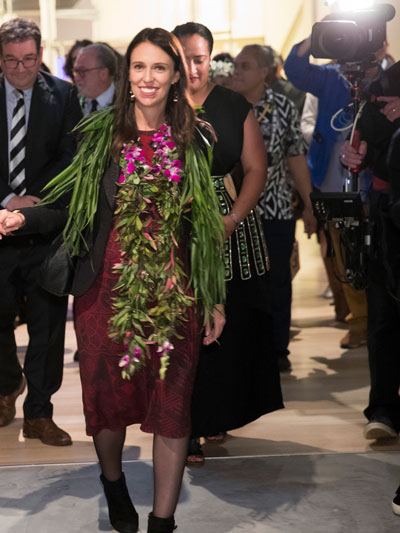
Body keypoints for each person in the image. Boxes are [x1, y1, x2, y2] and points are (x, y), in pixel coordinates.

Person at [0, 27, 227, 533]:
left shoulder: (196, 139)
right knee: (109, 403)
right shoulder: (100, 138)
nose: (148, 78)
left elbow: (204, 227)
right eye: (138, 67)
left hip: (174, 292)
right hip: (106, 292)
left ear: (176, 75)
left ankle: (163, 522)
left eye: (159, 67)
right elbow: (63, 202)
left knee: (173, 404)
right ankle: (113, 481)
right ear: (125, 75)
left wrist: (213, 296)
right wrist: (21, 219)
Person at [0, 17, 82, 446]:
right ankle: (9, 385)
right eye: (11, 61)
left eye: (29, 59)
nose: (21, 69)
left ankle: (39, 414)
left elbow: (70, 154)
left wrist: (32, 204)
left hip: (44, 229)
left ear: (41, 54)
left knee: (47, 325)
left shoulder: (64, 95)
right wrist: (8, 201)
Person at [173, 22, 282, 464]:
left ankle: (216, 413)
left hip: (229, 223)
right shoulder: (158, 103)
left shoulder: (233, 104)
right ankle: (189, 425)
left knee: (229, 326)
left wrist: (233, 219)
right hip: (175, 224)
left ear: (211, 58)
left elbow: (257, 168)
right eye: (183, 59)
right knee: (183, 325)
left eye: (200, 58)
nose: (192, 68)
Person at [232, 44, 317, 372]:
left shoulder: (282, 106)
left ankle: (278, 349)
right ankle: (246, 348)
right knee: (242, 283)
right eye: (237, 65)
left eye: (246, 66)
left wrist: (309, 203)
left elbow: (296, 156)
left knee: (277, 281)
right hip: (236, 210)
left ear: (265, 71)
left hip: (275, 208)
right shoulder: (226, 105)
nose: (237, 71)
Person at [284, 35, 371, 349]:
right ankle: (359, 321)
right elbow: (294, 69)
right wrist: (318, 35)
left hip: (376, 182)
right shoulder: (331, 77)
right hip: (333, 181)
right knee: (344, 252)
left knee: (378, 254)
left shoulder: (387, 78)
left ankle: (381, 321)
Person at [340, 63, 400, 442]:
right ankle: (382, 409)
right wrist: (353, 153)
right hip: (386, 216)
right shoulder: (386, 81)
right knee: (382, 316)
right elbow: (363, 144)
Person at [73, 43, 117, 115]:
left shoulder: (125, 103)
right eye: (75, 71)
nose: (76, 78)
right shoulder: (73, 103)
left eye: (82, 71)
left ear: (103, 74)